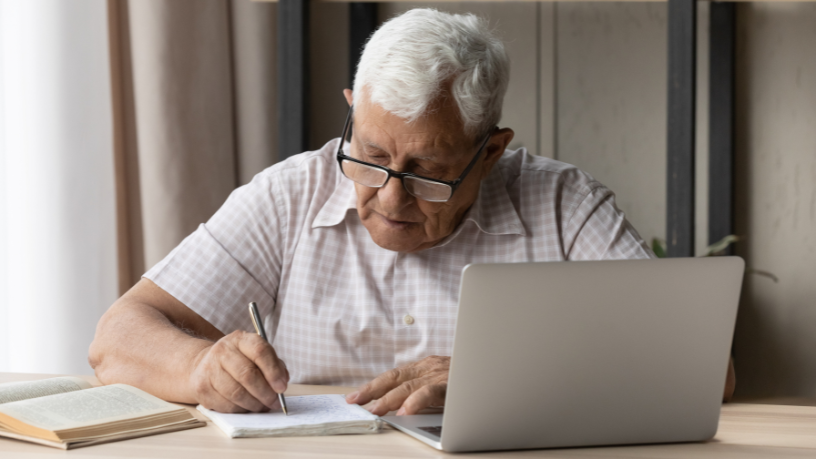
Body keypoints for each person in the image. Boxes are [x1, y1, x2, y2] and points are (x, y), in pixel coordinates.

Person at [89, 8, 733, 416]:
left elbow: (707, 368)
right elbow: (117, 341)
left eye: (427, 172)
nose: (390, 197)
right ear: (352, 110)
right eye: (370, 156)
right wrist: (200, 365)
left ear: (490, 153)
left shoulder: (564, 204)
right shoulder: (290, 194)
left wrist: (500, 378)